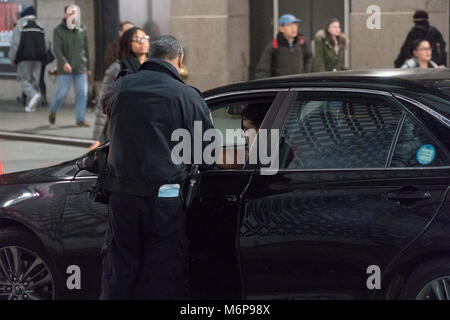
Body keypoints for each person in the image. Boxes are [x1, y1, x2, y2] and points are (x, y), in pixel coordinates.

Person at [100, 35, 214, 299]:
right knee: (161, 271)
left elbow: (108, 115)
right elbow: (206, 154)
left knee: (119, 270)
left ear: (149, 56)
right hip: (165, 200)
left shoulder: (120, 88)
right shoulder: (186, 95)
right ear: (179, 59)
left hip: (122, 199)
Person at [90, 27, 149, 150]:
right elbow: (104, 102)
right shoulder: (118, 68)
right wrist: (96, 138)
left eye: (144, 38)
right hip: (122, 129)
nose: (142, 42)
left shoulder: (154, 66)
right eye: (137, 39)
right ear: (128, 43)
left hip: (147, 126)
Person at [48, 4, 91, 127]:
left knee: (82, 93)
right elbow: (57, 49)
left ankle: (80, 119)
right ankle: (53, 111)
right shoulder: (58, 30)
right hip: (65, 68)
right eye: (70, 12)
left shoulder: (82, 29)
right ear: (65, 14)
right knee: (62, 93)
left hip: (81, 67)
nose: (73, 15)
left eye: (75, 13)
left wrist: (88, 68)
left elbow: (86, 49)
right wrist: (64, 62)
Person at [8, 6, 47, 112]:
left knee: (22, 79)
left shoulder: (20, 25)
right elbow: (46, 44)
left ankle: (33, 95)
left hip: (24, 58)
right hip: (38, 58)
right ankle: (31, 106)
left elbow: (15, 43)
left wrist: (12, 58)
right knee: (34, 80)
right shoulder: (40, 26)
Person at [255, 14, 312, 79]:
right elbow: (263, 70)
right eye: (289, 25)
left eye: (295, 24)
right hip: (281, 87)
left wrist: (306, 75)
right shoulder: (273, 46)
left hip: (299, 85)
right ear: (281, 28)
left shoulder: (302, 43)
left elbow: (309, 59)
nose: (294, 28)